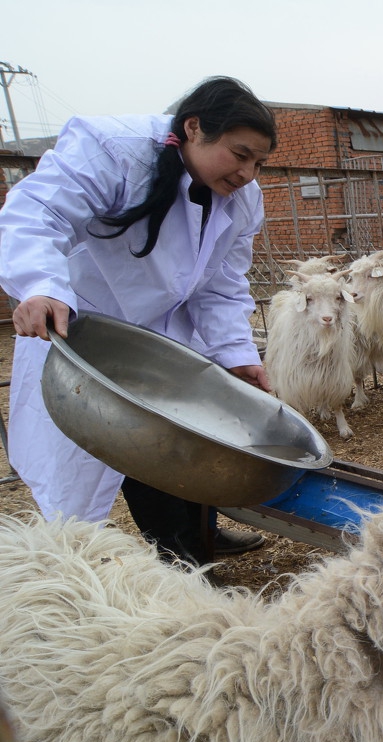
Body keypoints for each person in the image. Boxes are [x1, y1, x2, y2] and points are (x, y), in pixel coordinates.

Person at [0, 76, 277, 568]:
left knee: (183, 448)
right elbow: (36, 212)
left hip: (166, 341)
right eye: (240, 154)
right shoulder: (113, 150)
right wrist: (40, 285)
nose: (248, 173)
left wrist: (235, 355)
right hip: (82, 334)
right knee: (78, 469)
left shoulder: (240, 198)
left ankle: (191, 547)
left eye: (259, 162)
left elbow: (222, 283)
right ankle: (71, 574)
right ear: (194, 128)